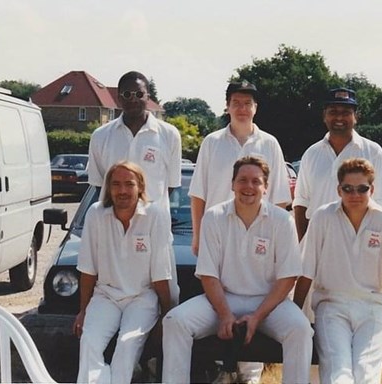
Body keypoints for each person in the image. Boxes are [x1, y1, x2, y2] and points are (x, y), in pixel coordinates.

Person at [163, 156, 313, 384]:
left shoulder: (283, 220)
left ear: (266, 187)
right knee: (175, 321)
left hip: (269, 304)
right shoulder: (214, 217)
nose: (249, 187)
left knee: (300, 329)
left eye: (256, 181)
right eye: (242, 180)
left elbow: (287, 278)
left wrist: (257, 317)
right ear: (232, 184)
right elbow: (208, 274)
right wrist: (224, 315)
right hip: (223, 300)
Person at [188, 80, 291, 382]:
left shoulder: (269, 143)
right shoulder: (212, 142)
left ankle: (250, 375)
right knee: (220, 303)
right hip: (219, 236)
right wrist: (197, 235)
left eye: (248, 103)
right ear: (228, 106)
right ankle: (225, 368)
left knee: (257, 300)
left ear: (256, 108)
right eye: (236, 102)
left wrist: (276, 242)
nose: (242, 108)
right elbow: (198, 194)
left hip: (259, 236)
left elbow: (281, 199)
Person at [293, 158, 382, 384]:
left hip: (372, 308)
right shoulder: (322, 217)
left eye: (362, 188)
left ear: (372, 189)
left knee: (366, 373)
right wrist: (295, 314)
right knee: (338, 373)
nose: (354, 194)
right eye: (348, 188)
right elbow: (306, 272)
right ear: (339, 189)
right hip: (331, 306)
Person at [86, 70, 181, 305]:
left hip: (156, 233)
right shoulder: (101, 136)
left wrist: (147, 217)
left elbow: (169, 187)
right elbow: (99, 187)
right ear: (118, 98)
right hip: (112, 235)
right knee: (111, 301)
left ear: (148, 96)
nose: (133, 99)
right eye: (127, 94)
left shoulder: (169, 135)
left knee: (166, 302)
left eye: (139, 93)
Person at [73, 161, 173, 384]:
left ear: (140, 187)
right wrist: (83, 310)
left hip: (142, 297)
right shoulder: (96, 214)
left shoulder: (155, 215)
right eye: (116, 184)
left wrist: (165, 315)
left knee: (127, 344)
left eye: (129, 184)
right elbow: (88, 269)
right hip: (105, 295)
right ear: (108, 188)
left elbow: (160, 273)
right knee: (89, 341)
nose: (123, 190)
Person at [293, 87, 382, 241]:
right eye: (333, 112)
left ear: (356, 117)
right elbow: (301, 203)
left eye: (346, 112)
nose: (339, 117)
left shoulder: (373, 152)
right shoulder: (311, 154)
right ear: (324, 116)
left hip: (358, 242)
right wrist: (303, 244)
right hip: (318, 242)